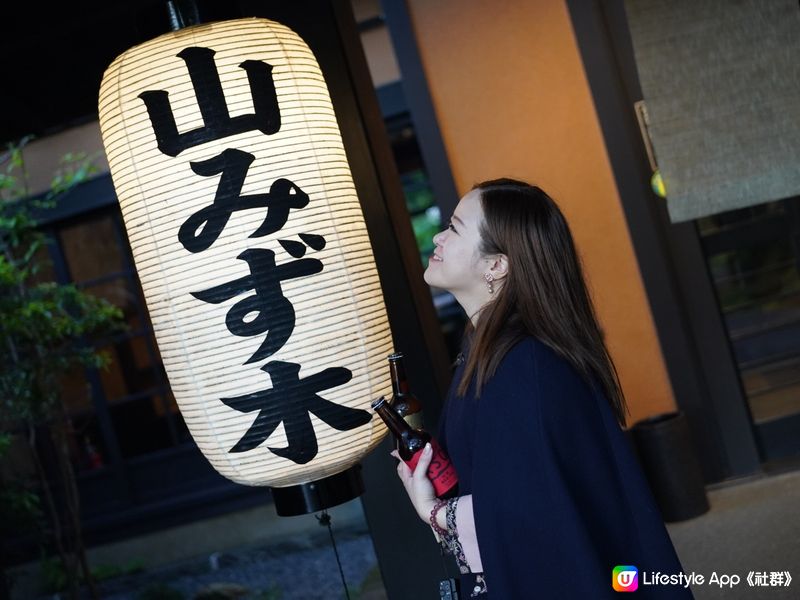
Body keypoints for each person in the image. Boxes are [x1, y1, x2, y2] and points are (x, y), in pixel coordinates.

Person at [391, 178, 693, 598]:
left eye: (455, 228)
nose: (439, 236)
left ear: (496, 265)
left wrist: (435, 512)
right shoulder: (493, 350)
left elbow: (531, 517)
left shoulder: (522, 368)